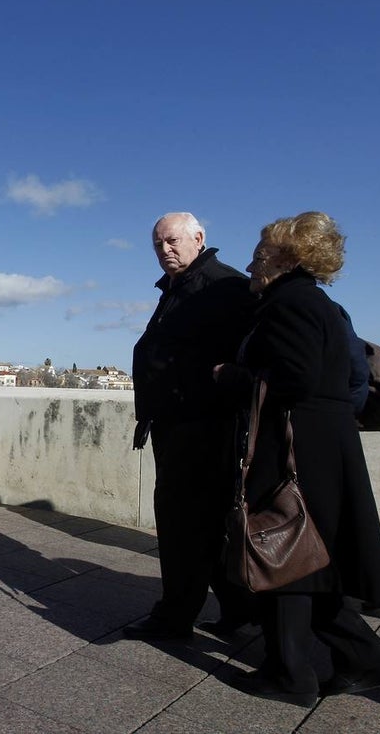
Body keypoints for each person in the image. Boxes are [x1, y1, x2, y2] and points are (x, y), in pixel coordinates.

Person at [218, 211, 380, 706]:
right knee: (310, 557)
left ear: (287, 257)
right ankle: (366, 661)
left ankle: (291, 673)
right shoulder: (315, 302)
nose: (252, 263)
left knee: (285, 547)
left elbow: (293, 379)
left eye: (260, 255)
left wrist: (231, 376)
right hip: (323, 445)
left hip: (295, 446)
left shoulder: (290, 304)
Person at [127, 212, 255, 641]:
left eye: (173, 241)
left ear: (199, 238)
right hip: (182, 425)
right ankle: (240, 610)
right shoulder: (184, 286)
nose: (165, 249)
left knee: (184, 527)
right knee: (206, 526)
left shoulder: (222, 286)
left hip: (201, 428)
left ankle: (174, 617)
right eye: (158, 244)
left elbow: (241, 359)